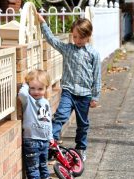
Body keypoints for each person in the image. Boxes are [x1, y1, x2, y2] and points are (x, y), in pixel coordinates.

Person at [37, 12, 101, 162]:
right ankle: (50, 142)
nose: (77, 40)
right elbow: (52, 40)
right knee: (60, 116)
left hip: (85, 95)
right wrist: (42, 23)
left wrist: (95, 96)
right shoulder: (68, 49)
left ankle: (81, 148)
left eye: (81, 37)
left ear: (88, 36)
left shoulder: (93, 54)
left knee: (83, 124)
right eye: (75, 37)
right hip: (68, 92)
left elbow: (97, 76)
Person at [18, 69, 63, 179]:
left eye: (40, 88)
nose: (36, 92)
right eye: (32, 88)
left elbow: (48, 121)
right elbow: (22, 93)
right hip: (31, 139)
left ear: (46, 88)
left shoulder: (45, 102)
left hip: (44, 139)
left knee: (43, 162)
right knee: (33, 164)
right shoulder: (28, 100)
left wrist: (50, 137)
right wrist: (26, 83)